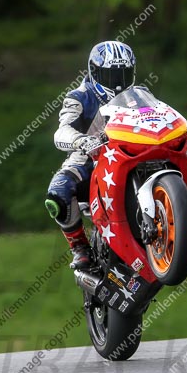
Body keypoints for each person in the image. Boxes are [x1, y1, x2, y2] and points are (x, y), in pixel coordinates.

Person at [45, 40, 136, 270]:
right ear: (94, 72)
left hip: (132, 156)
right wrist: (81, 140)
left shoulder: (139, 95)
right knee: (58, 191)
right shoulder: (79, 97)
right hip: (90, 160)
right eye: (111, 76)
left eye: (123, 76)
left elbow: (161, 115)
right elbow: (61, 131)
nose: (118, 84)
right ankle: (80, 248)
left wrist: (182, 133)